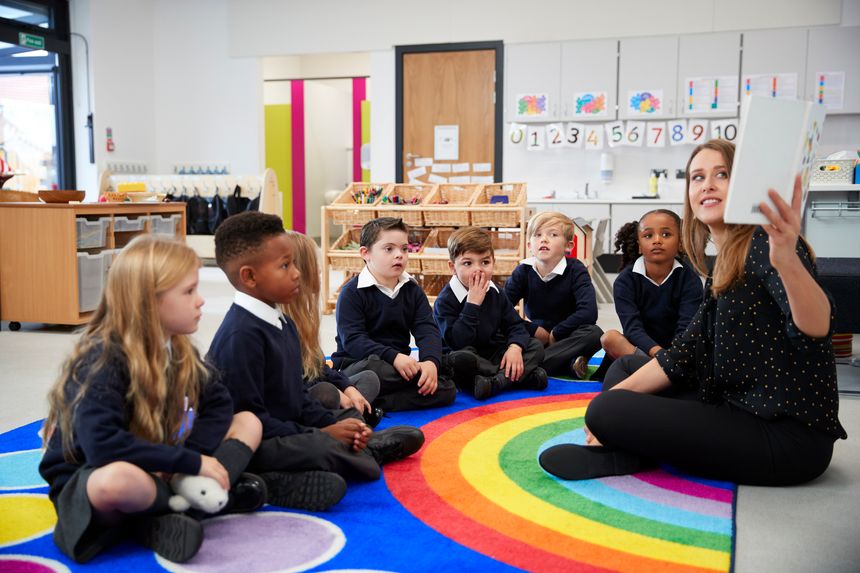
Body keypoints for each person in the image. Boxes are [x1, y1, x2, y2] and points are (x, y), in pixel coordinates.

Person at [540, 139, 847, 485]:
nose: (708, 185)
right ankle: (627, 448)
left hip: (785, 437)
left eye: (722, 174)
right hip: (737, 403)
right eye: (697, 177)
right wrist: (617, 397)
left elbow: (818, 327)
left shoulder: (767, 245)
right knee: (624, 371)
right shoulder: (728, 258)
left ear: (744, 184)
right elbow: (683, 354)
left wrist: (787, 261)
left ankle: (626, 448)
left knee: (605, 409)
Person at [39, 235, 266, 564]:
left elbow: (218, 403)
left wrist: (186, 458)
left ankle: (186, 497)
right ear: (149, 302)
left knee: (249, 422)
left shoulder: (178, 348)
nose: (200, 301)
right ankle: (183, 507)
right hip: (93, 475)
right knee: (118, 481)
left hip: (162, 464)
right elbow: (102, 447)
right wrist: (188, 464)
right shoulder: (102, 359)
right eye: (189, 291)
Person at [208, 212, 424, 506]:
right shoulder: (240, 336)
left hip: (288, 425)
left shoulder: (282, 323)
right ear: (249, 277)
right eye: (285, 266)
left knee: (345, 422)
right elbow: (252, 422)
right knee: (322, 445)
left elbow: (297, 398)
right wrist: (324, 432)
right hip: (256, 442)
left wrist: (327, 423)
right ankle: (265, 480)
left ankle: (352, 452)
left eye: (294, 263)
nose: (297, 273)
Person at [332, 216, 457, 411]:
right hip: (359, 365)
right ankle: (360, 392)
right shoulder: (352, 293)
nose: (399, 255)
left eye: (404, 249)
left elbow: (427, 329)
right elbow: (354, 340)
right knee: (374, 371)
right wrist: (393, 357)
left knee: (446, 388)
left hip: (399, 368)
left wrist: (430, 363)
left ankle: (376, 402)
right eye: (389, 249)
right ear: (366, 253)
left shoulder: (412, 290)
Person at [282, 231, 384, 427]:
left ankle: (351, 420)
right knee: (327, 393)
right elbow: (292, 383)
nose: (320, 272)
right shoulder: (283, 323)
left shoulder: (304, 317)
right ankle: (354, 424)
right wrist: (337, 392)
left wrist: (347, 389)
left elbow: (320, 368)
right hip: (298, 401)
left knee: (369, 379)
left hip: (318, 392)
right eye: (315, 266)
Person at [434, 226, 547, 400]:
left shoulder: (496, 292)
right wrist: (472, 303)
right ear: (453, 267)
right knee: (462, 359)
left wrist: (515, 347)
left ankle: (495, 383)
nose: (478, 269)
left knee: (535, 346)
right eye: (467, 263)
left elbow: (515, 325)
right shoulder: (445, 300)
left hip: (491, 352)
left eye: (485, 262)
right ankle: (519, 377)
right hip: (461, 354)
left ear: (493, 262)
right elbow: (457, 341)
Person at [599, 209, 703, 382]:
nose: (657, 240)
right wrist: (659, 355)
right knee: (610, 338)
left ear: (680, 242)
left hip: (678, 354)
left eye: (666, 234)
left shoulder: (690, 280)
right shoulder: (625, 280)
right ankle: (661, 376)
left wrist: (672, 357)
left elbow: (686, 328)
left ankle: (656, 376)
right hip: (641, 351)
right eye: (648, 236)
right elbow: (632, 329)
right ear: (639, 245)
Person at [504, 211, 603, 379]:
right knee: (500, 331)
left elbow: (588, 313)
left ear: (568, 246)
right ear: (529, 246)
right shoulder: (523, 271)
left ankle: (532, 367)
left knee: (594, 333)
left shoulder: (576, 269)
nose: (544, 239)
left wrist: (556, 333)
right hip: (536, 335)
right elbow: (501, 309)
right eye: (538, 235)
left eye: (553, 234)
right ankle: (567, 364)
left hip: (568, 334)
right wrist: (533, 329)